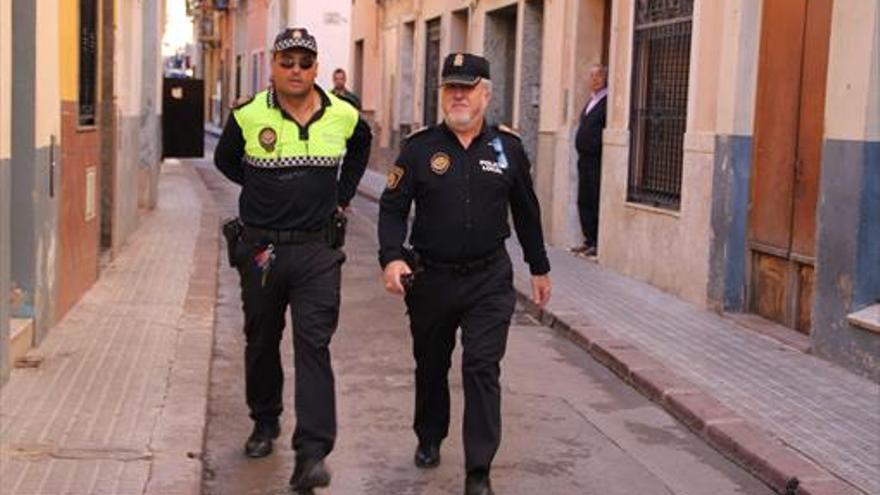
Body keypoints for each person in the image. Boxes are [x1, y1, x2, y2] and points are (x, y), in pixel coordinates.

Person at [378, 52, 552, 495]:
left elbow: (526, 212)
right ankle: (430, 435)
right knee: (431, 364)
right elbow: (394, 207)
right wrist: (391, 256)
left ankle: (479, 470)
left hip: (489, 278)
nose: (458, 94)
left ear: (486, 93)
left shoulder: (507, 148)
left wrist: (539, 267)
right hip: (432, 277)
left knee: (481, 366)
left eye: (467, 86)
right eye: (451, 87)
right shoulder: (419, 149)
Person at [213, 27, 372, 492]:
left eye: (305, 62)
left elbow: (361, 147)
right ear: (274, 68)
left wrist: (342, 196)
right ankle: (265, 421)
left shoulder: (343, 114)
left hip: (318, 250)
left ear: (316, 67)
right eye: (287, 63)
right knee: (262, 339)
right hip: (261, 250)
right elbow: (226, 161)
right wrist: (265, 191)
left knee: (314, 345)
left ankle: (312, 452)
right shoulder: (247, 116)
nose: (296, 70)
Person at [571, 63, 607, 257]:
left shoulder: (606, 101)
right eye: (592, 76)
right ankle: (588, 240)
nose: (595, 79)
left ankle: (596, 241)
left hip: (596, 159)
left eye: (599, 75)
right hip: (584, 158)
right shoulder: (591, 100)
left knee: (594, 199)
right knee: (583, 199)